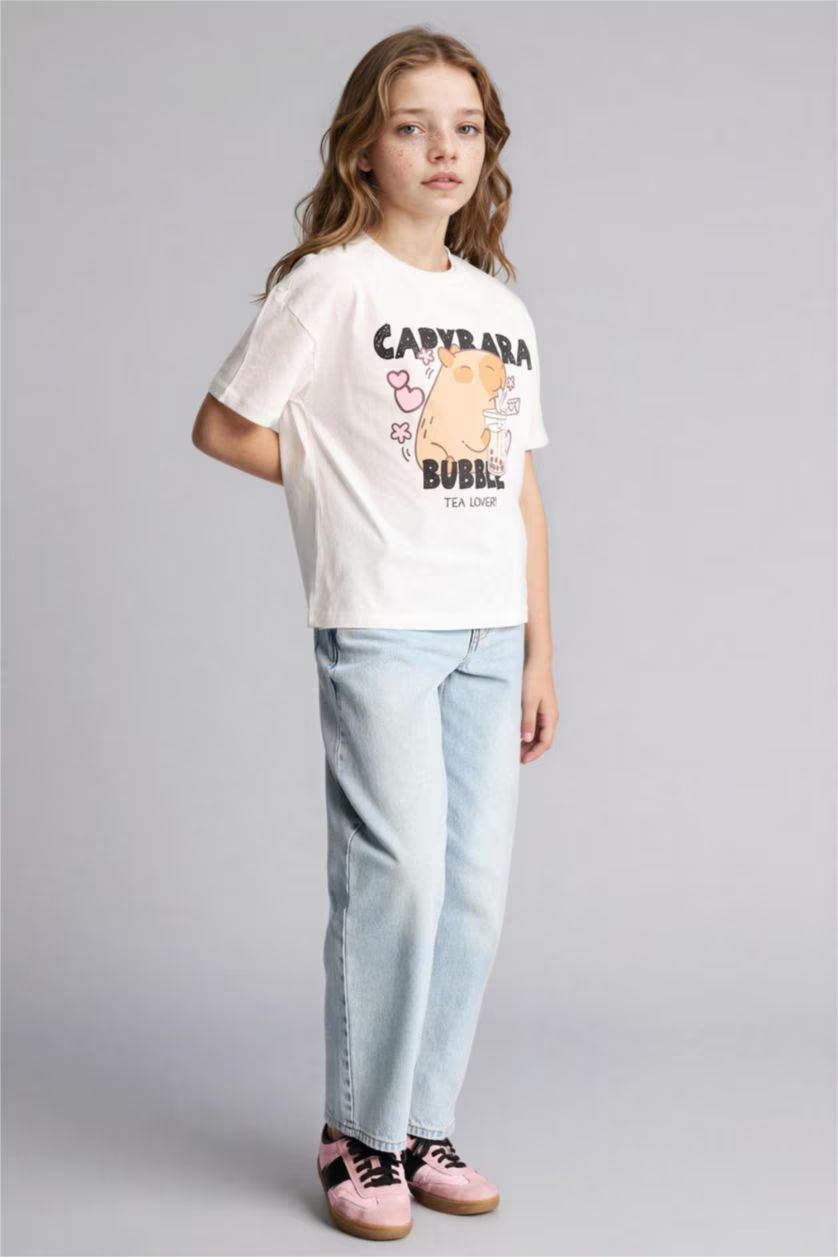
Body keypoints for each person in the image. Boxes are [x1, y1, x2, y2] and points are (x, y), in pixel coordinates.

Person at [192, 24, 559, 1243]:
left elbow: (519, 487)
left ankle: (421, 1125)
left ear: (486, 149)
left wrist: (541, 652)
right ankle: (358, 1131)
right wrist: (344, 487)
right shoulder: (331, 283)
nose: (443, 149)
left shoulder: (498, 307)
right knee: (394, 881)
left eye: (465, 128)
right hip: (382, 624)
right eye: (412, 126)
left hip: (489, 631)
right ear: (365, 147)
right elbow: (224, 425)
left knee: (474, 895)